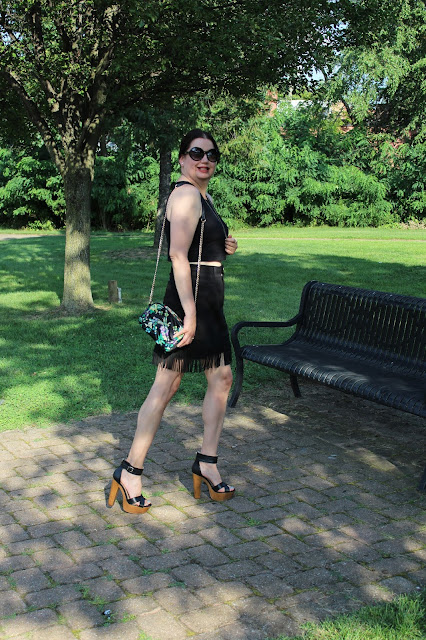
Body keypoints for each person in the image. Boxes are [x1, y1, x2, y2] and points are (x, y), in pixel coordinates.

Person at [108, 129, 238, 514]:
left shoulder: (202, 196)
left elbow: (201, 247)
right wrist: (190, 314)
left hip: (209, 301)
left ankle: (207, 462)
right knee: (166, 386)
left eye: (211, 154)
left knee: (221, 378)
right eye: (197, 152)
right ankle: (130, 471)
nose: (205, 160)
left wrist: (225, 246)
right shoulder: (184, 195)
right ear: (182, 158)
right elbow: (178, 256)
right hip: (189, 303)